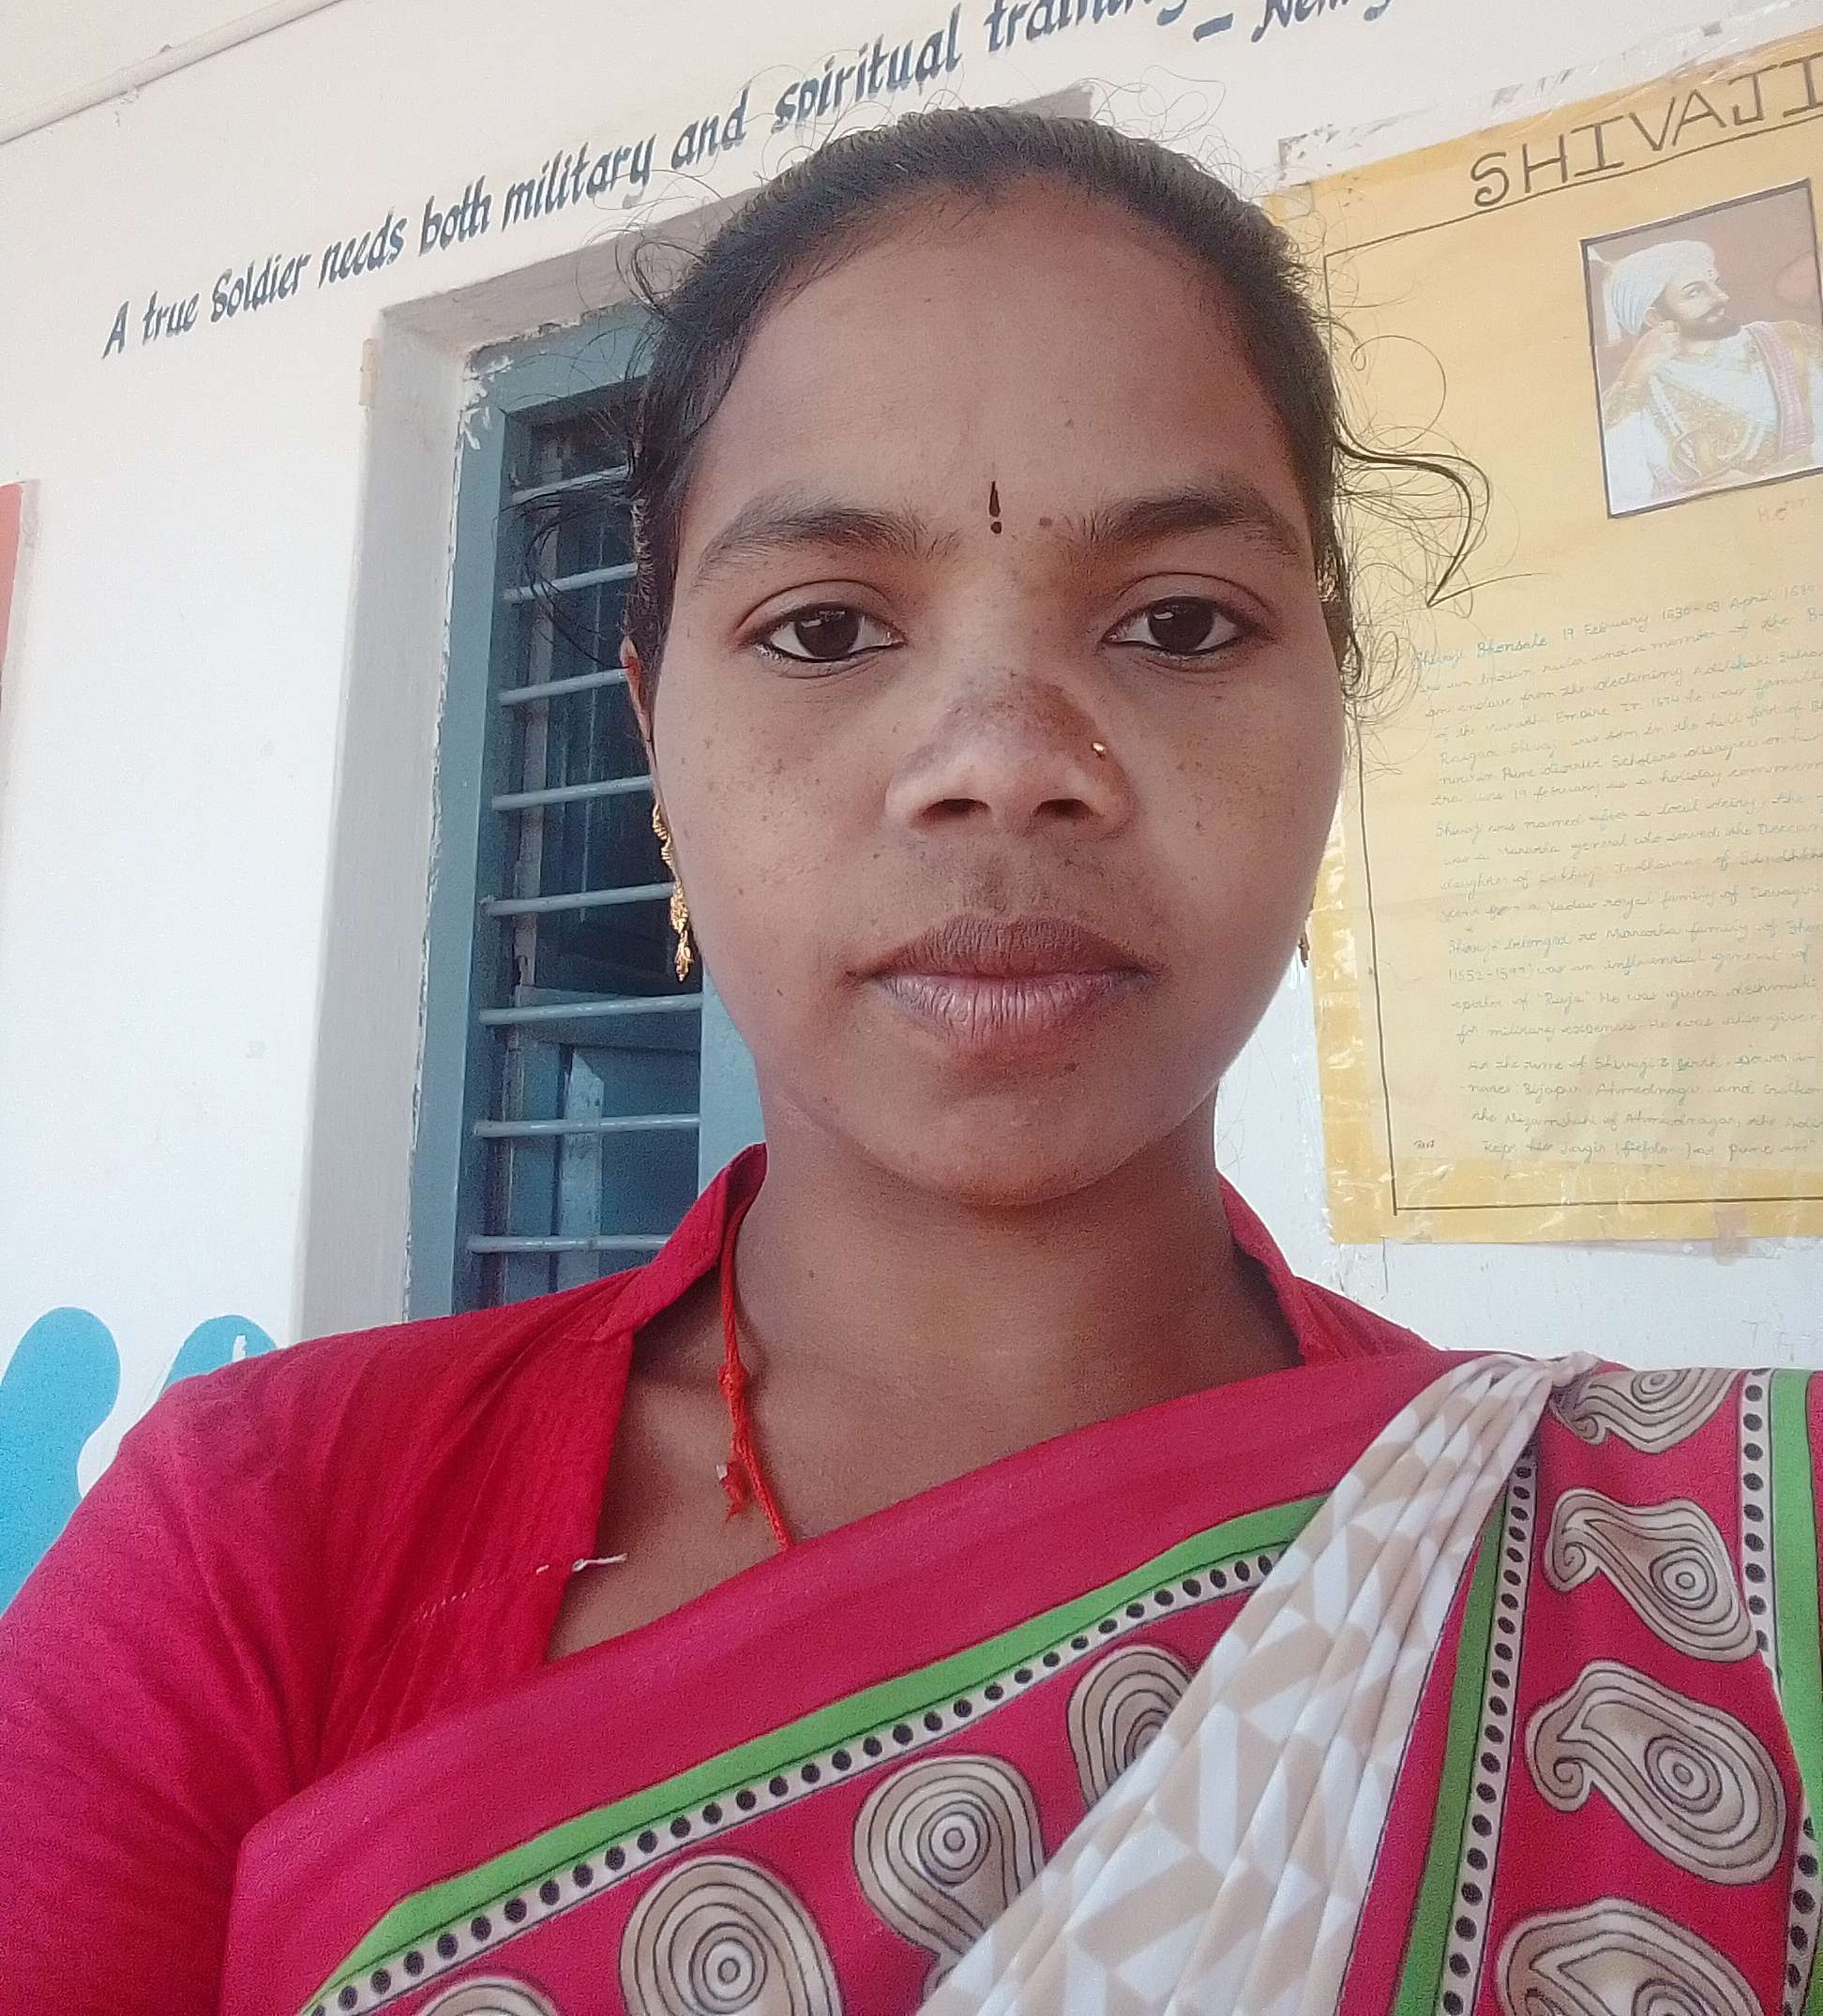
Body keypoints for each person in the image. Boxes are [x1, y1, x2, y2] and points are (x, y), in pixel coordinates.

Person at [2, 112, 1818, 2015]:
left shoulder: (1661, 1584)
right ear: (653, 733)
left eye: (1179, 622)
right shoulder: (260, 1544)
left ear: (1329, 705)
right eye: (824, 627)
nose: (1003, 759)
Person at [1598, 234, 1823, 510]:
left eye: (1715, 283)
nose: (1721, 297)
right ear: (1654, 318)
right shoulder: (1639, 397)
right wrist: (1633, 376)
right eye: (1695, 292)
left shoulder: (1786, 342)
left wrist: (1766, 479)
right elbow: (1628, 496)